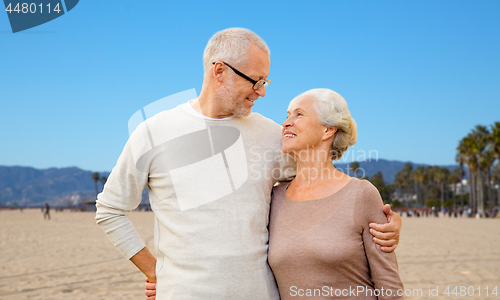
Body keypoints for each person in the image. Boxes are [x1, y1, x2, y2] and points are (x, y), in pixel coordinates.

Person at [96, 28, 401, 300]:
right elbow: (110, 210)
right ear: (219, 71)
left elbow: (323, 186)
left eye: (265, 81)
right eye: (256, 80)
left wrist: (384, 224)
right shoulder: (153, 132)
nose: (262, 91)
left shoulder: (271, 135)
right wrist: (155, 272)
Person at [268, 89, 404, 299]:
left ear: (328, 130)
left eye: (299, 114)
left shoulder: (361, 194)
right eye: (287, 115)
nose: (286, 122)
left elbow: (389, 286)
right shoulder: (273, 197)